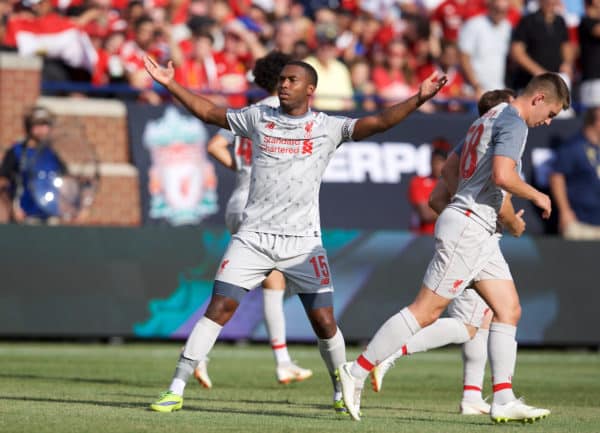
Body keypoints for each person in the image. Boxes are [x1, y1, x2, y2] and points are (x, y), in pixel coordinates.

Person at [143, 54, 447, 414]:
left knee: (323, 320)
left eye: (292, 80)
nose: (284, 85)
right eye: (282, 80)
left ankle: (341, 386)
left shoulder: (327, 127)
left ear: (311, 90)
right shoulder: (259, 117)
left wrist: (419, 98)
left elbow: (378, 122)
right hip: (253, 237)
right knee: (218, 308)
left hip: (303, 243)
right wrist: (169, 83)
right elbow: (210, 113)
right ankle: (176, 387)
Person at [338, 72, 570, 423]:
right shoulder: (514, 120)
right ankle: (356, 370)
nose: (548, 121)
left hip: (475, 225)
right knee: (427, 311)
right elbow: (502, 176)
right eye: (550, 112)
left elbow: (449, 168)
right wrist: (538, 194)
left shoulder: (488, 117)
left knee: (509, 310)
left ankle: (503, 398)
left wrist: (459, 205)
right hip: (470, 224)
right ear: (538, 98)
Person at [371, 89, 519, 417]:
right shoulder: (493, 153)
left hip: (472, 238)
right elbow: (504, 204)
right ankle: (384, 355)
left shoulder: (468, 148)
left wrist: (460, 212)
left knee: (483, 322)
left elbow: (437, 200)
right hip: (473, 241)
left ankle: (471, 396)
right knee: (463, 323)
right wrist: (506, 221)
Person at [198, 51, 313, 388]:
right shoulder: (281, 112)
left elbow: (215, 145)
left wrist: (243, 169)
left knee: (255, 285)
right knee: (262, 287)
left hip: (241, 199)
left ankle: (280, 361)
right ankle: (278, 361)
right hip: (262, 207)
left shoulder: (252, 111)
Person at [0, 106, 67, 224]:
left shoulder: (52, 154)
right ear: (29, 127)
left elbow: (65, 182)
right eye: (37, 125)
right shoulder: (17, 152)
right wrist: (12, 208)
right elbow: (3, 182)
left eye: (45, 125)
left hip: (50, 217)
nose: (42, 130)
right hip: (24, 217)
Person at [548, 107, 600, 240]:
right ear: (596, 122)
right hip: (581, 224)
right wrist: (565, 211)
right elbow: (556, 177)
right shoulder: (573, 147)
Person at [407, 138, 451, 235]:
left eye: (442, 161)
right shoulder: (418, 182)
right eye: (435, 160)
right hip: (423, 238)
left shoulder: (454, 183)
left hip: (447, 237)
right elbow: (426, 215)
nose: (437, 165)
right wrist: (454, 209)